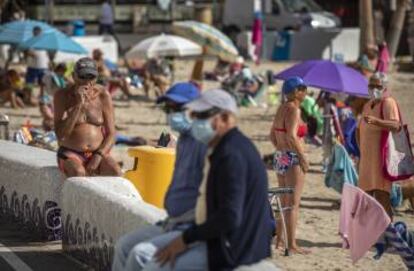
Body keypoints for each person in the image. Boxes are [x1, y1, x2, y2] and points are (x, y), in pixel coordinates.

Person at [148, 89, 273, 270]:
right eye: (195, 115)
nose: (197, 121)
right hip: (225, 243)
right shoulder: (226, 147)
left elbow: (229, 216)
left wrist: (185, 238)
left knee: (152, 264)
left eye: (203, 115)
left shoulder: (231, 154)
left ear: (225, 118)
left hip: (234, 252)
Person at [112, 82, 207, 271]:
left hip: (198, 228)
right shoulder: (185, 142)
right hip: (174, 222)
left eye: (177, 108)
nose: (171, 113)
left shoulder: (206, 143)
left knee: (141, 255)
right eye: (167, 108)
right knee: (123, 246)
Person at [54, 57, 121, 177]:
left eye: (91, 77)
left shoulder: (103, 95)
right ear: (74, 76)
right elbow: (60, 135)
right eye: (82, 77)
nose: (87, 82)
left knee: (115, 172)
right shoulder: (62, 95)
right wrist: (79, 105)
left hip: (97, 152)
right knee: (79, 173)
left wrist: (98, 155)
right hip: (70, 152)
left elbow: (112, 133)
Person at [269, 76, 309, 254]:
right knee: (293, 204)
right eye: (303, 88)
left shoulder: (281, 108)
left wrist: (281, 149)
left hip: (280, 156)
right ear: (295, 92)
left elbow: (272, 135)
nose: (305, 92)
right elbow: (293, 135)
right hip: (292, 157)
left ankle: (280, 238)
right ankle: (291, 244)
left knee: (284, 200)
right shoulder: (294, 110)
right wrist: (302, 157)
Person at [357, 72, 401, 219]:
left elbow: (396, 125)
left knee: (382, 197)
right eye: (371, 85)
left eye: (378, 86)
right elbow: (360, 129)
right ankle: (370, 236)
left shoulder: (388, 103)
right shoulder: (368, 105)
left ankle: (389, 235)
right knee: (366, 197)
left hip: (380, 159)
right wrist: (361, 153)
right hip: (366, 161)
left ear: (384, 87)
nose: (374, 88)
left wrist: (377, 122)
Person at [40, 63, 68, 131]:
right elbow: (43, 85)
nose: (63, 73)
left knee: (49, 117)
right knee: (49, 117)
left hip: (53, 98)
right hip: (48, 98)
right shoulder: (51, 76)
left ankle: (47, 129)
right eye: (63, 71)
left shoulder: (60, 78)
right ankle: (47, 129)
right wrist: (42, 96)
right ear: (60, 69)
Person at [25, 26, 49, 104]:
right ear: (33, 32)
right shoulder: (30, 41)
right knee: (30, 83)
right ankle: (29, 98)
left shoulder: (44, 42)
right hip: (32, 66)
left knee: (42, 83)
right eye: (36, 32)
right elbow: (25, 51)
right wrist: (29, 53)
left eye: (39, 32)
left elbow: (47, 53)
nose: (38, 33)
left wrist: (49, 63)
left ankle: (42, 98)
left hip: (43, 66)